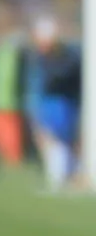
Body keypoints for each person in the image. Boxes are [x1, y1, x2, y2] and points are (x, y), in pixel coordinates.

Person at [31, 18, 83, 192]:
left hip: (63, 101)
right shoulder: (44, 57)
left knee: (60, 140)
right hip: (51, 101)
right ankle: (58, 176)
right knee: (50, 139)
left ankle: (61, 177)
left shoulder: (67, 56)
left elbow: (64, 76)